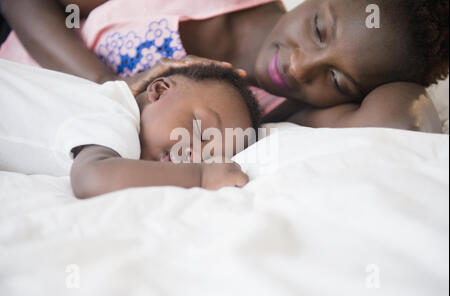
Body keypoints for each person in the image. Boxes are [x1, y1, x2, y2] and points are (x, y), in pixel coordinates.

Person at [0, 0, 448, 132]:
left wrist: (411, 74)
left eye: (337, 78)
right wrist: (110, 86)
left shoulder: (280, 110)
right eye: (318, 29)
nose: (297, 66)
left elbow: (400, 118)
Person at [0, 59, 260, 198]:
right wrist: (201, 176)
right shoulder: (116, 113)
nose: (193, 155)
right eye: (202, 133)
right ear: (159, 91)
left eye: (210, 157)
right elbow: (91, 179)